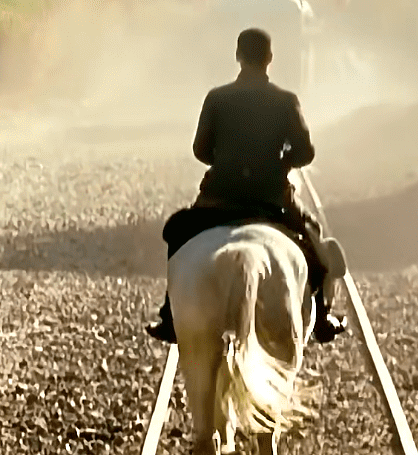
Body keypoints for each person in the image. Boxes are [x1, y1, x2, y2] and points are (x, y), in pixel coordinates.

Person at [147, 26, 349, 345]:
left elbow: (200, 150)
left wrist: (226, 159)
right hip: (272, 198)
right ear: (270, 58)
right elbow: (306, 152)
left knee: (178, 235)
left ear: (238, 56)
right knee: (315, 243)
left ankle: (171, 313)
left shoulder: (216, 98)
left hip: (219, 197)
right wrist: (281, 162)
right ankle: (322, 316)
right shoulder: (286, 101)